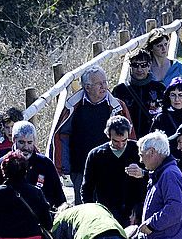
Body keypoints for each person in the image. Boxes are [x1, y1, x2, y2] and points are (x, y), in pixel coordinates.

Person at [50, 65, 133, 204]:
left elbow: (130, 137)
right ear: (87, 87)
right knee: (84, 209)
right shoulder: (73, 107)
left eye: (105, 82)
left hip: (113, 168)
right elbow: (61, 136)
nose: (104, 86)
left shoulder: (117, 106)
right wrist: (62, 167)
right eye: (99, 83)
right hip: (80, 169)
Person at [82, 115, 146, 226]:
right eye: (116, 141)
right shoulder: (96, 155)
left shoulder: (138, 150)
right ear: (108, 135)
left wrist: (142, 173)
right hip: (106, 212)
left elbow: (155, 176)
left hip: (134, 212)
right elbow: (87, 188)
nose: (120, 145)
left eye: (124, 140)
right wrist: (93, 214)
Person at [0, 121, 66, 211]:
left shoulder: (46, 164)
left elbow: (60, 198)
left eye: (29, 142)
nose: (26, 147)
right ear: (14, 140)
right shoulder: (0, 165)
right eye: (21, 142)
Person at [114, 47, 167, 141]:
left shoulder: (160, 89)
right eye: (135, 65)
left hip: (154, 140)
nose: (139, 69)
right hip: (128, 141)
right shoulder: (119, 90)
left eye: (143, 65)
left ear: (149, 65)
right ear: (130, 66)